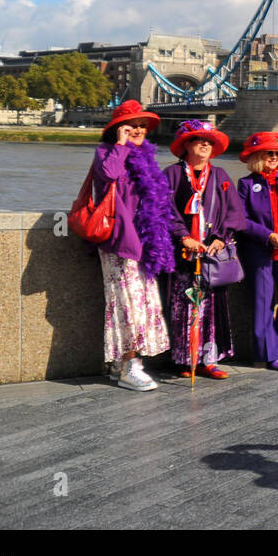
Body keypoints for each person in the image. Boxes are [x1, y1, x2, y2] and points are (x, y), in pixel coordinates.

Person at [89, 100, 175, 392]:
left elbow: (158, 199)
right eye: (131, 125)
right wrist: (121, 144)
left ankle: (120, 364)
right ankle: (130, 367)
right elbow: (109, 175)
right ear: (117, 128)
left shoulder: (148, 157)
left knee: (144, 303)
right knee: (129, 306)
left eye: (142, 126)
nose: (138, 130)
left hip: (143, 243)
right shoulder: (106, 152)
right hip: (118, 242)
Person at [164, 119, 241, 380]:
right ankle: (185, 359)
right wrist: (183, 236)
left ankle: (209, 359)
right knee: (184, 304)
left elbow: (234, 211)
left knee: (212, 307)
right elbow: (162, 210)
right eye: (200, 141)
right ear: (186, 145)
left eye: (209, 142)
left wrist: (221, 237)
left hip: (211, 255)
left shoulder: (220, 175)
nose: (206, 145)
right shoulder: (172, 175)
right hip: (184, 253)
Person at [235, 131, 278, 371]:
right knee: (263, 301)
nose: (274, 157)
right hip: (258, 249)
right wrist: (269, 236)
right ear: (257, 155)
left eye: (277, 153)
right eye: (269, 153)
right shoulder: (245, 184)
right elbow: (241, 219)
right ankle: (269, 353)